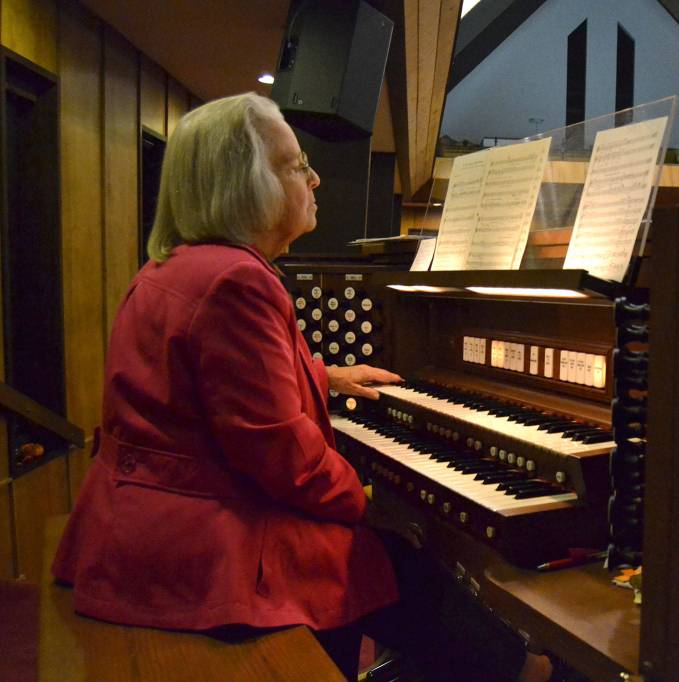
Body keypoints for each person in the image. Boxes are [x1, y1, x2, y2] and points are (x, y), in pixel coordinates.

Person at [52, 93, 550, 682]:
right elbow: (285, 459)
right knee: (399, 565)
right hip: (204, 548)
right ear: (247, 184)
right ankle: (530, 671)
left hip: (143, 524)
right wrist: (373, 500)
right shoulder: (238, 281)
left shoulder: (175, 266)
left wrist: (325, 375)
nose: (314, 178)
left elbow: (201, 388)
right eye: (294, 165)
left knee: (397, 569)